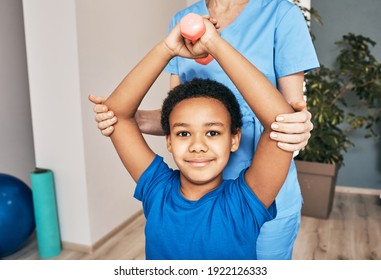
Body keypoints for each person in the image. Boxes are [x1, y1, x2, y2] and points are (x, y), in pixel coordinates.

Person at [90, 0, 319, 259]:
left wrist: (215, 45)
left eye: (212, 132)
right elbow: (171, 112)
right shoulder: (159, 193)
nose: (197, 144)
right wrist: (167, 48)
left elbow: (282, 124)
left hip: (264, 185)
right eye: (184, 134)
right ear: (170, 139)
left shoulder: (243, 205)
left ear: (234, 138)